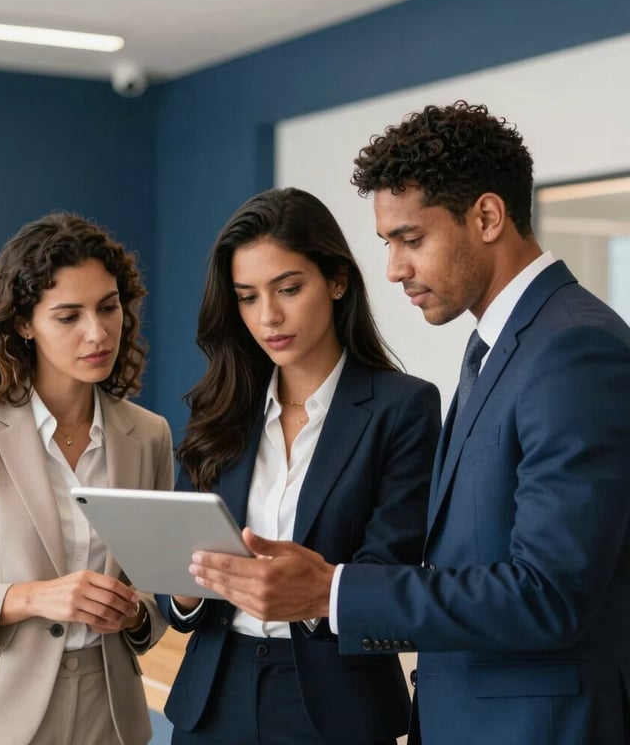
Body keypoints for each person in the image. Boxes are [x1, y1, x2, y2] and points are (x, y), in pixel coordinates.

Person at [187, 103, 630, 744]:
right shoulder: (505, 347)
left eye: (411, 240)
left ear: (486, 216)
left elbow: (548, 593)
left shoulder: (571, 349)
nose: (393, 269)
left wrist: (329, 592)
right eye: (388, 244)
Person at [156, 187, 441, 745]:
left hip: (337, 700)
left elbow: (392, 570)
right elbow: (178, 594)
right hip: (215, 696)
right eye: (247, 297)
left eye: (288, 288)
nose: (269, 317)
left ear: (336, 281)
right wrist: (186, 592)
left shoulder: (402, 408)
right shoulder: (217, 412)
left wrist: (307, 596)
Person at [0, 212, 174, 745]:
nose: (98, 331)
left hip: (108, 713)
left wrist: (133, 613)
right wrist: (33, 598)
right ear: (24, 323)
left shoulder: (148, 434)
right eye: (69, 316)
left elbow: (153, 603)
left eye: (109, 308)